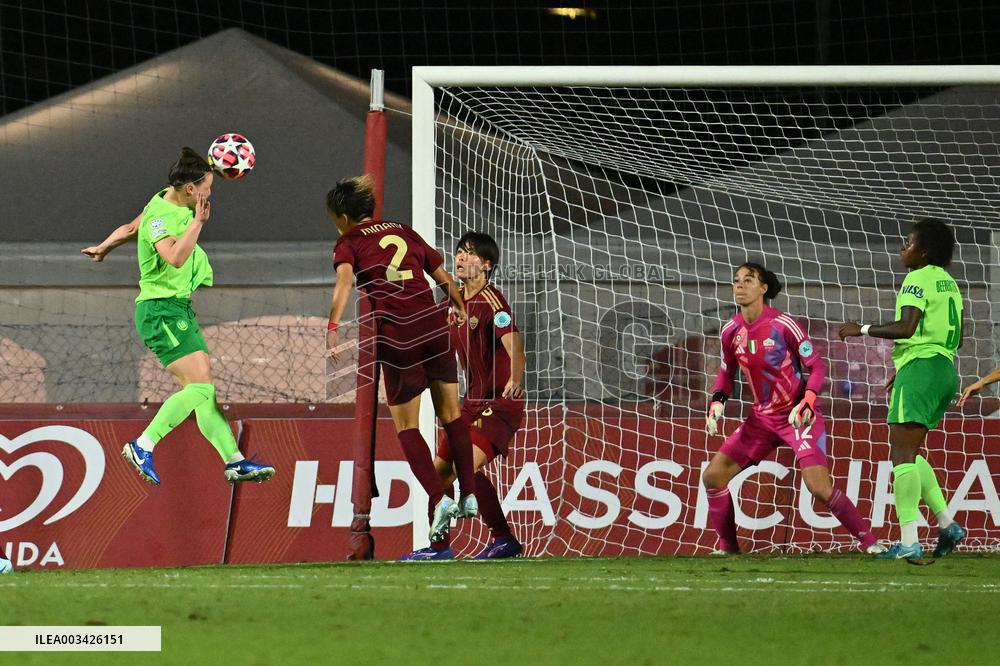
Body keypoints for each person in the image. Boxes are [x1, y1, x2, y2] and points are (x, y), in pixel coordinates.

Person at [82, 147, 275, 485]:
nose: (209, 194)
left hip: (177, 309)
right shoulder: (163, 219)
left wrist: (103, 247)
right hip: (162, 311)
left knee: (204, 390)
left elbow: (129, 228)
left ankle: (235, 460)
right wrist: (198, 223)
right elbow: (173, 257)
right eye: (207, 188)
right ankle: (143, 444)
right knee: (200, 387)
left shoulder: (165, 197)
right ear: (190, 189)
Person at [326, 175, 477, 542]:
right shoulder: (403, 230)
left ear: (344, 217)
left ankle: (439, 498)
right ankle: (469, 494)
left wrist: (332, 324)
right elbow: (442, 277)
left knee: (408, 426)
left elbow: (345, 282)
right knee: (452, 415)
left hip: (398, 335)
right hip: (432, 326)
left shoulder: (348, 242)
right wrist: (457, 304)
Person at [704, 262, 883, 554]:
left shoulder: (782, 324)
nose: (740, 285)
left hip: (798, 416)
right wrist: (717, 403)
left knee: (819, 487)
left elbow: (816, 366)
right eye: (736, 280)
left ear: (763, 288)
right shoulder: (730, 331)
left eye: (748, 280)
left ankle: (872, 544)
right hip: (761, 419)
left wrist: (808, 401)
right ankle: (728, 550)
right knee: (712, 477)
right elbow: (726, 374)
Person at [839, 217, 965, 559]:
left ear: (923, 252)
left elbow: (907, 327)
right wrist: (908, 367)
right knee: (911, 452)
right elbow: (959, 337)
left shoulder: (916, 278)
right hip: (943, 370)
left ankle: (909, 541)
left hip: (922, 369)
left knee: (901, 456)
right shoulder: (949, 284)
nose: (902, 248)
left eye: (907, 243)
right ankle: (947, 523)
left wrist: (860, 329)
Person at [401, 232, 527, 560]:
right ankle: (441, 548)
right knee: (439, 474)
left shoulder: (493, 301)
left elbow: (514, 345)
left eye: (470, 254)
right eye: (458, 252)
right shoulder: (451, 305)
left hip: (500, 403)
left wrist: (515, 376)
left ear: (486, 265)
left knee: (463, 466)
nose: (460, 258)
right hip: (469, 404)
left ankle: (502, 538)